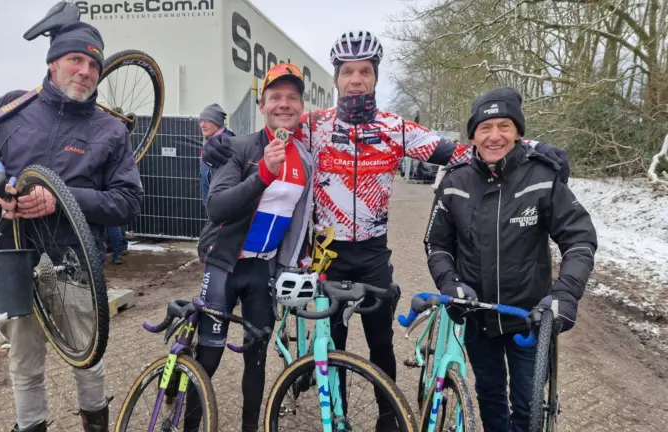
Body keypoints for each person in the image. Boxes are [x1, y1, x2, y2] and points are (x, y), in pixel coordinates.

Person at [202, 29, 571, 431]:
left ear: (375, 77)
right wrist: (219, 146)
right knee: (333, 345)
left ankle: (387, 418)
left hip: (374, 254)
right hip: (328, 255)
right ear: (336, 78)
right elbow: (269, 133)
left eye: (364, 71)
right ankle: (336, 416)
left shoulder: (395, 129)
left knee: (382, 344)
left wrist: (531, 148)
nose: (356, 79)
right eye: (348, 72)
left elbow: (470, 148)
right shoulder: (314, 126)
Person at [0, 21, 143, 432]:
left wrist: (62, 197)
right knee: (24, 362)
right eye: (76, 59)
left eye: (94, 65)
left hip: (75, 263)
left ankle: (96, 424)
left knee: (88, 359)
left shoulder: (111, 130)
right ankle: (30, 425)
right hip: (13, 257)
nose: (85, 71)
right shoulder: (12, 108)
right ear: (52, 63)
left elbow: (128, 202)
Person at [424, 87, 597, 431]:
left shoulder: (543, 177)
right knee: (489, 394)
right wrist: (450, 283)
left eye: (504, 126)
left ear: (518, 132)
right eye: (484, 128)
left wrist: (565, 294)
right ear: (472, 136)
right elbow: (436, 244)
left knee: (527, 406)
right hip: (478, 316)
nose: (494, 136)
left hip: (530, 320)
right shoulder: (454, 182)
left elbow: (579, 238)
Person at [185, 63, 314, 432]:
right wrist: (262, 176)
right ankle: (189, 425)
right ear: (263, 104)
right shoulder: (241, 148)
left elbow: (300, 219)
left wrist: (293, 265)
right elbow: (217, 206)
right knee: (208, 358)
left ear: (301, 107)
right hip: (225, 265)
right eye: (276, 97)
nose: (284, 104)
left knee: (256, 362)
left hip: (262, 269)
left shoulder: (305, 158)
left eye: (292, 98)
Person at [198, 103, 235, 210]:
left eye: (207, 120)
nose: (202, 125)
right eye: (201, 121)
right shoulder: (211, 140)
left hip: (220, 206)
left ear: (218, 122)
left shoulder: (224, 142)